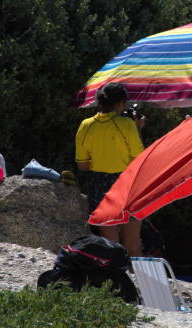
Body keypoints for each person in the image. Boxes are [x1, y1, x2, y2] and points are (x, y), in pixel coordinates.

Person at [75, 82, 145, 256]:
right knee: (133, 244)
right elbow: (139, 159)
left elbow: (82, 165)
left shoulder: (86, 125)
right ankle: (137, 281)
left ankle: (113, 281)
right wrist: (138, 130)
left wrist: (103, 161)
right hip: (127, 184)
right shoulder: (127, 125)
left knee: (110, 244)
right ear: (121, 103)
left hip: (99, 185)